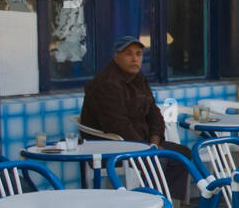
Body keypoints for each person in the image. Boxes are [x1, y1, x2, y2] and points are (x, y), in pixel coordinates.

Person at [80, 36, 191, 197]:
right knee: (159, 160)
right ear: (116, 56)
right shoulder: (106, 84)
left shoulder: (139, 79)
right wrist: (146, 149)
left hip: (143, 143)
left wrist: (154, 141)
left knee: (183, 154)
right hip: (111, 148)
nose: (135, 59)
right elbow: (118, 126)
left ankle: (167, 207)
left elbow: (155, 114)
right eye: (128, 54)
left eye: (138, 54)